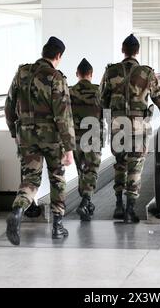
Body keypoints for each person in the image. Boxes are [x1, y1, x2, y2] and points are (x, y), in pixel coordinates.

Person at [4, 36, 75, 245]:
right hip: (52, 138)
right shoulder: (55, 77)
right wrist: (69, 148)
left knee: (30, 180)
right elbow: (63, 116)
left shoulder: (22, 72)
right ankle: (57, 226)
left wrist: (13, 131)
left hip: (26, 136)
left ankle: (17, 211)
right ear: (58, 56)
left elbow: (8, 106)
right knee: (57, 178)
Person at [100, 34, 160, 223]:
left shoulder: (111, 71)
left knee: (120, 163)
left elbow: (102, 99)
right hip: (139, 125)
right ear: (137, 51)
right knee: (136, 165)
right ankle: (130, 209)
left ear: (123, 50)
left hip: (117, 125)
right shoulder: (146, 73)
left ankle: (118, 205)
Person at [69, 58, 103, 221]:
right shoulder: (99, 91)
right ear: (91, 74)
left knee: (81, 170)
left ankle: (86, 203)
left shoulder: (69, 92)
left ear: (77, 74)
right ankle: (85, 201)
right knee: (92, 170)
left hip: (75, 138)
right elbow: (107, 113)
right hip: (93, 136)